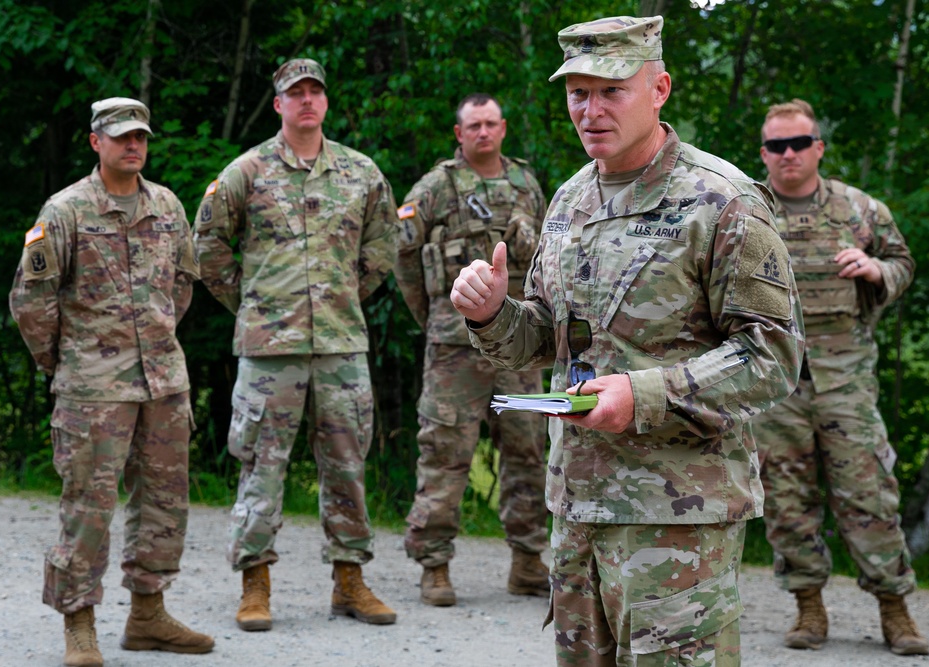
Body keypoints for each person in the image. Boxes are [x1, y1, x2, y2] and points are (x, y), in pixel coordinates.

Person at [451, 15, 805, 667]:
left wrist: (641, 394)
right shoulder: (569, 201)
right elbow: (542, 340)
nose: (590, 110)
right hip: (579, 504)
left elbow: (774, 358)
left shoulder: (720, 201)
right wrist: (493, 314)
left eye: (611, 90)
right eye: (577, 93)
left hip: (676, 514)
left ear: (660, 88)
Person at [193, 58, 399, 630]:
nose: (306, 100)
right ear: (279, 103)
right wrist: (253, 304)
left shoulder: (361, 173)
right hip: (269, 351)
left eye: (315, 91)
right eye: (295, 93)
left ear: (325, 102)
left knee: (347, 465)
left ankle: (350, 580)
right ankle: (254, 584)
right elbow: (206, 245)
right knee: (261, 465)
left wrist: (345, 295)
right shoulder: (248, 172)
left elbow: (385, 243)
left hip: (340, 344)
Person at [9, 97, 214, 667]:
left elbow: (183, 284)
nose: (134, 145)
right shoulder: (66, 210)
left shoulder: (167, 206)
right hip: (93, 390)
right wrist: (66, 363)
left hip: (164, 383)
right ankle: (79, 622)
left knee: (164, 503)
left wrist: (155, 338)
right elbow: (32, 301)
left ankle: (148, 615)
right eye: (122, 136)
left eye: (141, 137)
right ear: (96, 141)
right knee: (89, 507)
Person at [753, 99, 929, 655]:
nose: (788, 155)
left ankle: (895, 611)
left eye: (799, 144)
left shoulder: (860, 210)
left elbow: (903, 263)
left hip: (846, 381)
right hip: (776, 383)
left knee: (870, 496)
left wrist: (878, 269)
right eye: (777, 147)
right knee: (787, 501)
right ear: (764, 153)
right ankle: (808, 609)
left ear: (818, 148)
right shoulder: (744, 209)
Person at [394, 93, 550, 606]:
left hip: (520, 344)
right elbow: (404, 256)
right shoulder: (435, 187)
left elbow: (550, 256)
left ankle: (528, 560)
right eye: (472, 126)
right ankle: (434, 564)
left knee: (528, 449)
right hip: (453, 347)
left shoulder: (527, 183)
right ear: (458, 134)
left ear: (503, 128)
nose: (482, 133)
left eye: (490, 124)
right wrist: (437, 316)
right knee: (446, 451)